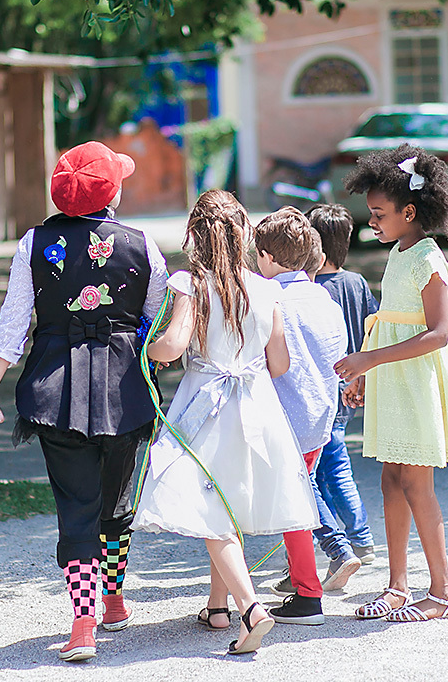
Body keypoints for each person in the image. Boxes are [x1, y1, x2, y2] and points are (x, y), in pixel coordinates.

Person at [0, 141, 169, 661]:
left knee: (76, 508)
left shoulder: (33, 243)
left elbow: (14, 323)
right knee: (117, 500)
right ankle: (113, 599)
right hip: (127, 389)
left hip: (53, 390)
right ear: (114, 190)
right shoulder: (143, 243)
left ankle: (83, 624)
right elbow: (156, 316)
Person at [133, 190, 319, 655]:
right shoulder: (264, 288)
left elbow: (173, 345)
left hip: (206, 402)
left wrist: (146, 351)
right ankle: (218, 607)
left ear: (196, 234)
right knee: (226, 500)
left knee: (205, 505)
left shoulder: (192, 283)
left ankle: (251, 608)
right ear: (244, 234)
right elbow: (279, 362)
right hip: (256, 405)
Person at [334, 147, 448, 622]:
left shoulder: (428, 259)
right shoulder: (400, 251)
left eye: (378, 214)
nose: (371, 221)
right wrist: (368, 373)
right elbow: (394, 321)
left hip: (419, 379)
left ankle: (443, 592)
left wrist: (368, 359)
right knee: (390, 478)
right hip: (396, 376)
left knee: (417, 483)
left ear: (409, 212)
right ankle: (398, 585)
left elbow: (438, 333)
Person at [253, 207, 348, 624]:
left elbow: (272, 362)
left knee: (293, 509)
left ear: (269, 258)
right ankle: (301, 579)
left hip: (287, 418)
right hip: (320, 417)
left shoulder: (274, 300)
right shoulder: (321, 296)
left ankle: (308, 595)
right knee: (300, 500)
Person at [306, 203, 378, 577]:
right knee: (333, 462)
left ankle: (359, 538)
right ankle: (357, 537)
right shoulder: (357, 282)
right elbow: (372, 327)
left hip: (320, 388)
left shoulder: (310, 289)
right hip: (349, 383)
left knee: (329, 467)